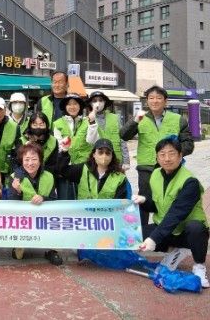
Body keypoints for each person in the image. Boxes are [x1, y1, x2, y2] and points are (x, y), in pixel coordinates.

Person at [135, 136, 209, 288]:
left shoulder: (190, 182)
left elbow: (176, 213)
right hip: (166, 229)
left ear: (180, 156)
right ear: (157, 157)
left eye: (172, 153)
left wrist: (153, 239)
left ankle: (199, 266)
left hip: (185, 233)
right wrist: (144, 201)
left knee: (195, 228)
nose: (167, 159)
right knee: (135, 234)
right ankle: (173, 250)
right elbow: (157, 206)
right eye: (162, 154)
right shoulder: (156, 174)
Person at [120, 85, 194, 226]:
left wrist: (173, 154)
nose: (155, 101)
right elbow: (123, 135)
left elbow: (188, 144)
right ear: (147, 101)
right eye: (151, 98)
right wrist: (135, 121)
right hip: (146, 167)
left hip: (171, 168)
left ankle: (169, 229)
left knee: (170, 198)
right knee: (143, 199)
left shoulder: (178, 119)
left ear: (165, 101)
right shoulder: (139, 118)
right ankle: (141, 231)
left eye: (159, 98)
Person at [9, 143, 62, 266]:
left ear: (40, 160)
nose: (30, 163)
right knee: (18, 257)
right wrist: (17, 191)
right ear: (22, 161)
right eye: (26, 159)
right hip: (23, 218)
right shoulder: (14, 177)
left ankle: (52, 250)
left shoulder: (49, 176)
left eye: (34, 159)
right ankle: (18, 245)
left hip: (44, 217)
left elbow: (54, 199)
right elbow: (12, 204)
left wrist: (43, 198)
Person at [52, 94, 98, 199]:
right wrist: (64, 147)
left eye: (75, 104)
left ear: (80, 106)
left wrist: (92, 123)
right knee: (66, 199)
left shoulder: (88, 121)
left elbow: (92, 141)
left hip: (84, 166)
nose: (72, 107)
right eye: (69, 104)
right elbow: (59, 146)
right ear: (65, 107)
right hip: (65, 168)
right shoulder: (58, 123)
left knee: (84, 197)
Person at [57, 138, 128, 200]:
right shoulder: (82, 169)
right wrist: (64, 152)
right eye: (100, 152)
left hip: (108, 211)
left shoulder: (120, 178)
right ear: (94, 154)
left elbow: (122, 202)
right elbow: (61, 170)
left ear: (112, 156)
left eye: (108, 153)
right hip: (84, 211)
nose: (104, 156)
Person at [87, 91, 130, 169]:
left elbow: (122, 140)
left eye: (100, 100)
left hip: (116, 160)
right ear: (90, 104)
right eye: (95, 101)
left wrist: (126, 161)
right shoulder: (87, 120)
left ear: (105, 102)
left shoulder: (115, 118)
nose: (98, 103)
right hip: (97, 162)